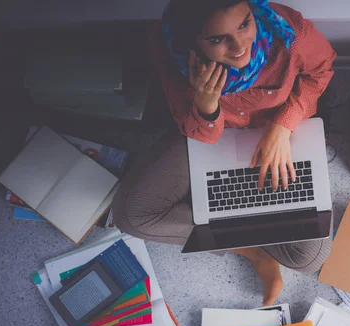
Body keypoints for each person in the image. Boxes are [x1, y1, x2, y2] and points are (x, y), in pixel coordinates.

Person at [112, 0, 336, 306]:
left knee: (309, 258)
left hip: (281, 133)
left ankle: (228, 220)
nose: (240, 46)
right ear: (191, 40)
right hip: (212, 134)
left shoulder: (289, 32)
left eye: (244, 23)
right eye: (217, 40)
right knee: (132, 216)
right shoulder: (168, 47)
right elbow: (195, 131)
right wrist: (206, 104)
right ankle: (254, 252)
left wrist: (283, 126)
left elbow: (322, 69)